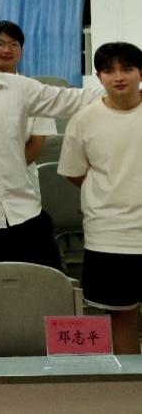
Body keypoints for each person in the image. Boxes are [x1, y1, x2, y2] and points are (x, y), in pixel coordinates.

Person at [0, 17, 94, 268]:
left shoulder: (19, 88)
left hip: (24, 211)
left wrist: (125, 92)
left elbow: (70, 100)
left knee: (45, 285)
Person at [58, 42, 142, 355]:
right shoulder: (84, 120)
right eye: (109, 70)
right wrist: (109, 193)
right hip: (108, 236)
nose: (118, 77)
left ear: (140, 73)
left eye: (127, 69)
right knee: (121, 317)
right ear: (98, 76)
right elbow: (74, 172)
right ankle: (129, 382)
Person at [0, 20, 59, 165]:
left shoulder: (34, 90)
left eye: (14, 44)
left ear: (21, 51)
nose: (7, 50)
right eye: (0, 44)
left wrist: (12, 170)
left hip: (22, 173)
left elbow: (37, 143)